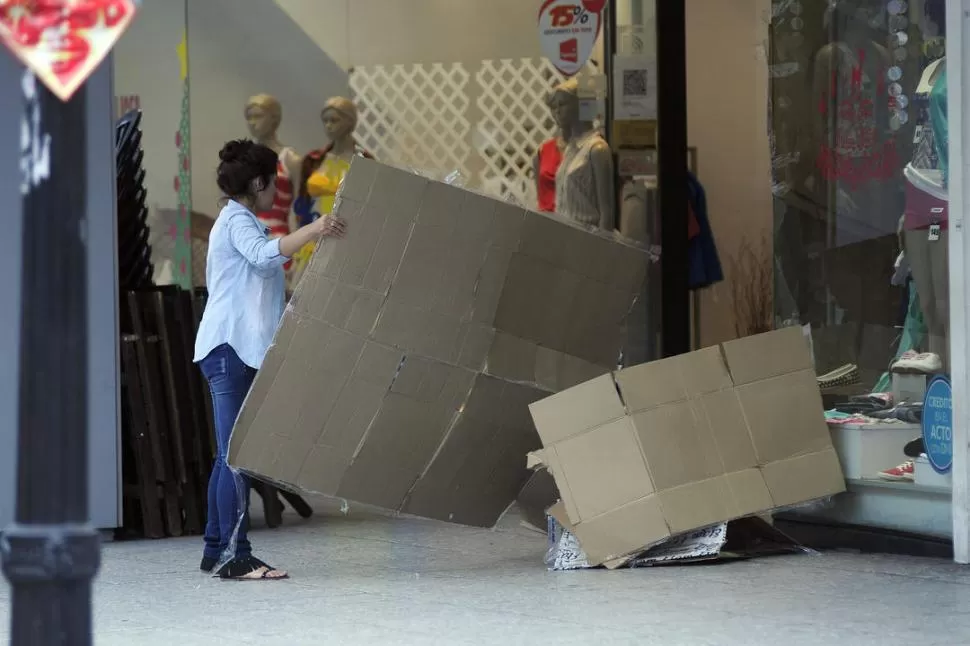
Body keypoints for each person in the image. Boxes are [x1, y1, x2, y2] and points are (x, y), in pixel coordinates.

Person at [194, 139, 347, 580]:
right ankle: (235, 555)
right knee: (235, 455)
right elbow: (265, 256)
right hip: (229, 350)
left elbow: (262, 268)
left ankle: (214, 547)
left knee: (228, 455)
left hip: (233, 349)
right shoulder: (237, 221)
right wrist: (315, 229)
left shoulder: (244, 222)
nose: (275, 192)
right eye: (274, 184)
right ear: (259, 183)